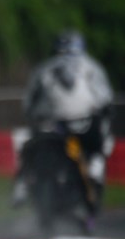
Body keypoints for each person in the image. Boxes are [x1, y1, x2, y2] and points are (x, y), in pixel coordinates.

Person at [15, 30, 115, 216]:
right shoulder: (92, 67)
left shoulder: (45, 67)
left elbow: (28, 103)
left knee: (27, 145)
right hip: (83, 125)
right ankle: (94, 175)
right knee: (98, 150)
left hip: (51, 125)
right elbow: (106, 100)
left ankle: (21, 185)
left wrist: (34, 117)